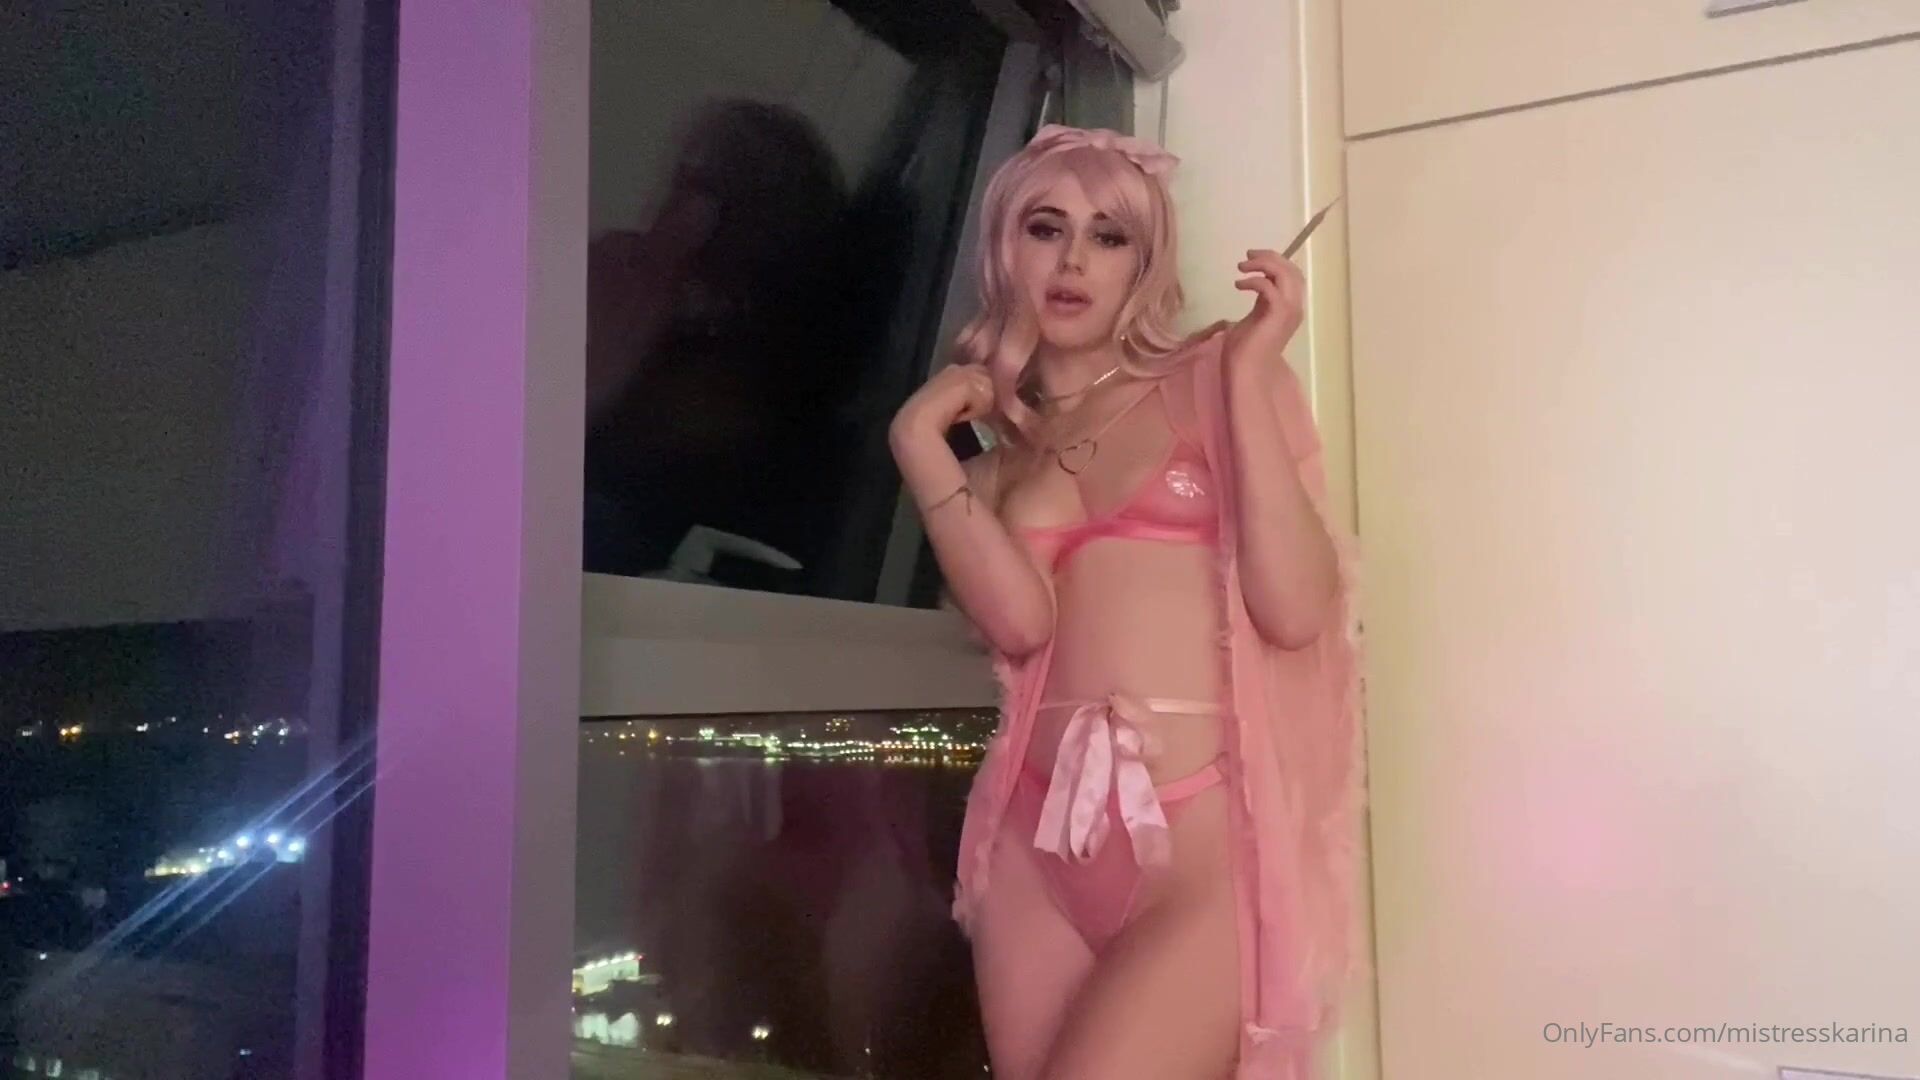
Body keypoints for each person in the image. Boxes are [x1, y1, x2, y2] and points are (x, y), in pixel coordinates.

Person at [888, 125, 1365, 1079]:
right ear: (1003, 248)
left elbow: (1296, 610)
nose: (1073, 260)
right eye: (1045, 228)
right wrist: (918, 444)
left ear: (1144, 267)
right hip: (1034, 849)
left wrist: (1246, 373)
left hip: (1197, 848)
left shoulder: (1215, 379)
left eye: (1109, 238)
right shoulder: (999, 465)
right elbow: (1022, 628)